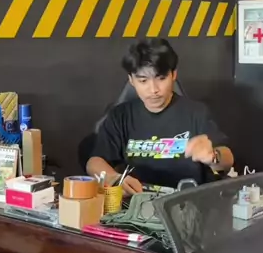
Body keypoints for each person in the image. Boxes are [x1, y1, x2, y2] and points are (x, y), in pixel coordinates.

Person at [87, 38, 234, 194]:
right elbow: (94, 162)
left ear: (173, 75)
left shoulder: (196, 112)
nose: (153, 90)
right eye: (143, 81)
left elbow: (228, 158)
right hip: (136, 201)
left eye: (161, 78)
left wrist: (213, 156)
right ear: (131, 80)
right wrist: (114, 178)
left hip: (186, 200)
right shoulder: (120, 116)